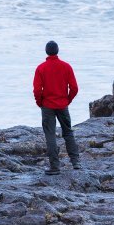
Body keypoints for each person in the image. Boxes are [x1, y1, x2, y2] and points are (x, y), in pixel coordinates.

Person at [33, 40, 80, 175]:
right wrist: (67, 100)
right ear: (57, 50)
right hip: (62, 104)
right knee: (68, 132)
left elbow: (37, 90)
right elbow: (74, 88)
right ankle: (75, 162)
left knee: (50, 135)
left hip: (47, 105)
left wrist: (40, 102)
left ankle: (55, 166)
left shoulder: (41, 68)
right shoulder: (66, 67)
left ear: (46, 51)